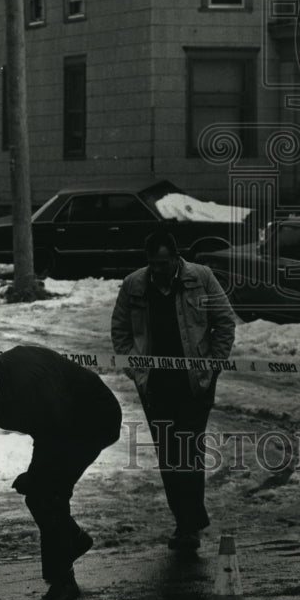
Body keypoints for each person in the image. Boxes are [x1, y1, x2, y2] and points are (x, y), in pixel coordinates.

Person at [0, 345, 122, 600]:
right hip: (62, 426)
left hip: (94, 419)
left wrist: (36, 474)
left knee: (47, 495)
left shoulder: (27, 381)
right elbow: (42, 430)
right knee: (42, 494)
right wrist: (37, 474)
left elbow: (56, 427)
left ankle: (63, 581)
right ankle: (72, 543)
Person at [111, 231, 236, 551]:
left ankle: (189, 525)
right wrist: (137, 370)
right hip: (155, 385)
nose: (159, 270)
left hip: (195, 383)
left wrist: (213, 365)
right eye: (153, 264)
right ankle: (185, 521)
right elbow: (120, 329)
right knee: (169, 455)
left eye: (164, 263)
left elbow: (224, 321)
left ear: (176, 259)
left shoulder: (201, 278)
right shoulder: (134, 284)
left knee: (189, 451)